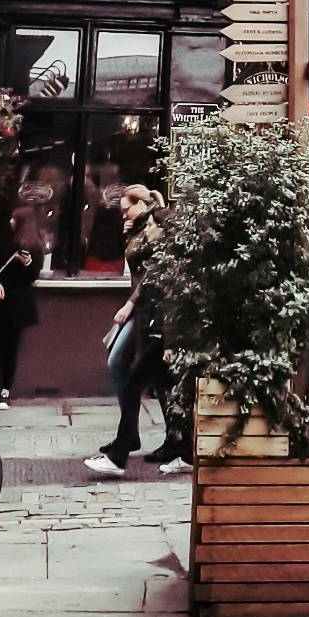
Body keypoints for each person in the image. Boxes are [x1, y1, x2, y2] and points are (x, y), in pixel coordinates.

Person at [84, 193, 184, 478]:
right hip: (154, 323)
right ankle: (183, 448)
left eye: (129, 210)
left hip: (159, 326)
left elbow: (163, 290)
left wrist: (171, 339)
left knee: (133, 385)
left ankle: (119, 455)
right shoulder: (146, 241)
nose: (126, 216)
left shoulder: (163, 250)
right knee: (165, 385)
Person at [0, 207, 43, 408]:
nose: (11, 222)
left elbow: (34, 276)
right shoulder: (2, 239)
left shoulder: (33, 244)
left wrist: (28, 264)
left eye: (14, 219)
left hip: (17, 304)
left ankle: (5, 391)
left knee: (10, 348)